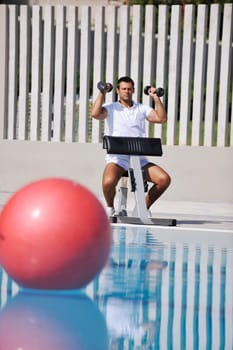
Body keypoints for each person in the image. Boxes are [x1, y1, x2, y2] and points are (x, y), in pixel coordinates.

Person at [91, 76, 171, 217]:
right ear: (118, 90)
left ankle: (142, 208)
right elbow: (95, 113)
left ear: (133, 90)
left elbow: (161, 118)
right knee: (108, 182)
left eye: (129, 89)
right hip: (118, 158)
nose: (126, 92)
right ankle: (110, 208)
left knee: (164, 179)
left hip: (139, 159)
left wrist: (156, 97)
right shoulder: (111, 108)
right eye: (123, 89)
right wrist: (102, 92)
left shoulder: (142, 108)